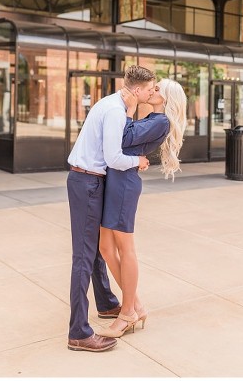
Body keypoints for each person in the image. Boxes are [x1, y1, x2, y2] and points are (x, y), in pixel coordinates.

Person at [65, 66, 155, 352]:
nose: (153, 93)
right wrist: (139, 160)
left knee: (93, 251)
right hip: (88, 182)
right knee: (83, 256)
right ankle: (79, 332)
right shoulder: (116, 112)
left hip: (87, 180)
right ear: (138, 90)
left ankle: (106, 303)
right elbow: (114, 158)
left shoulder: (111, 103)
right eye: (151, 89)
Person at [97, 78, 187, 338]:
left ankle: (127, 314)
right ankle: (136, 305)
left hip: (124, 185)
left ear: (167, 98)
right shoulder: (150, 118)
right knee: (105, 247)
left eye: (158, 89)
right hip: (115, 179)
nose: (152, 91)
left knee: (125, 248)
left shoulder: (160, 121)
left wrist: (127, 109)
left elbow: (123, 138)